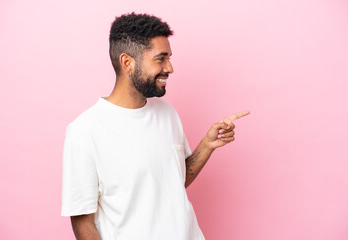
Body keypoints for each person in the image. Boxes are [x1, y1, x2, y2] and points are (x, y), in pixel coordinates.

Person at [61, 12, 250, 240]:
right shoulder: (84, 131)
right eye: (160, 58)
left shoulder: (167, 113)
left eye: (169, 58)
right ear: (127, 62)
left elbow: (174, 180)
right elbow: (83, 225)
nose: (170, 68)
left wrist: (207, 145)